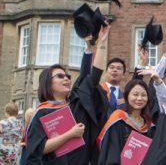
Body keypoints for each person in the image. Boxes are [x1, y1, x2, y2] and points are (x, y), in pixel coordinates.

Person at [26, 23, 111, 165]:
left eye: (67, 76)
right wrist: (70, 135)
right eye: (59, 76)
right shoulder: (41, 113)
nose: (66, 78)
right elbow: (38, 149)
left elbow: (91, 77)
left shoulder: (76, 104)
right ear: (48, 83)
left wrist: (100, 44)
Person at [96, 80, 155, 165]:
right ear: (127, 96)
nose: (139, 98)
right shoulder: (118, 119)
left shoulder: (150, 126)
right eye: (135, 94)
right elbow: (111, 154)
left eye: (143, 95)